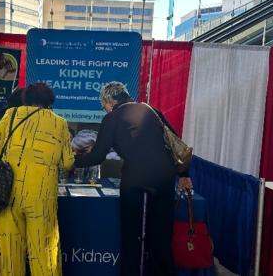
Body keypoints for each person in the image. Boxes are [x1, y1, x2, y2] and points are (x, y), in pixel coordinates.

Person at [74, 82, 193, 276]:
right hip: (165, 175)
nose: (104, 108)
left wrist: (71, 161)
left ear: (109, 101)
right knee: (162, 236)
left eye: (103, 104)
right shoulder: (151, 110)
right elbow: (175, 142)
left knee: (131, 235)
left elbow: (97, 156)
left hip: (135, 175)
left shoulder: (112, 118)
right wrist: (184, 174)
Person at [0, 82, 74, 276]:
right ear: (50, 102)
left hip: (7, 194)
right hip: (41, 196)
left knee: (10, 251)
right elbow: (67, 163)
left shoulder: (10, 116)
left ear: (26, 99)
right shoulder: (59, 123)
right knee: (44, 251)